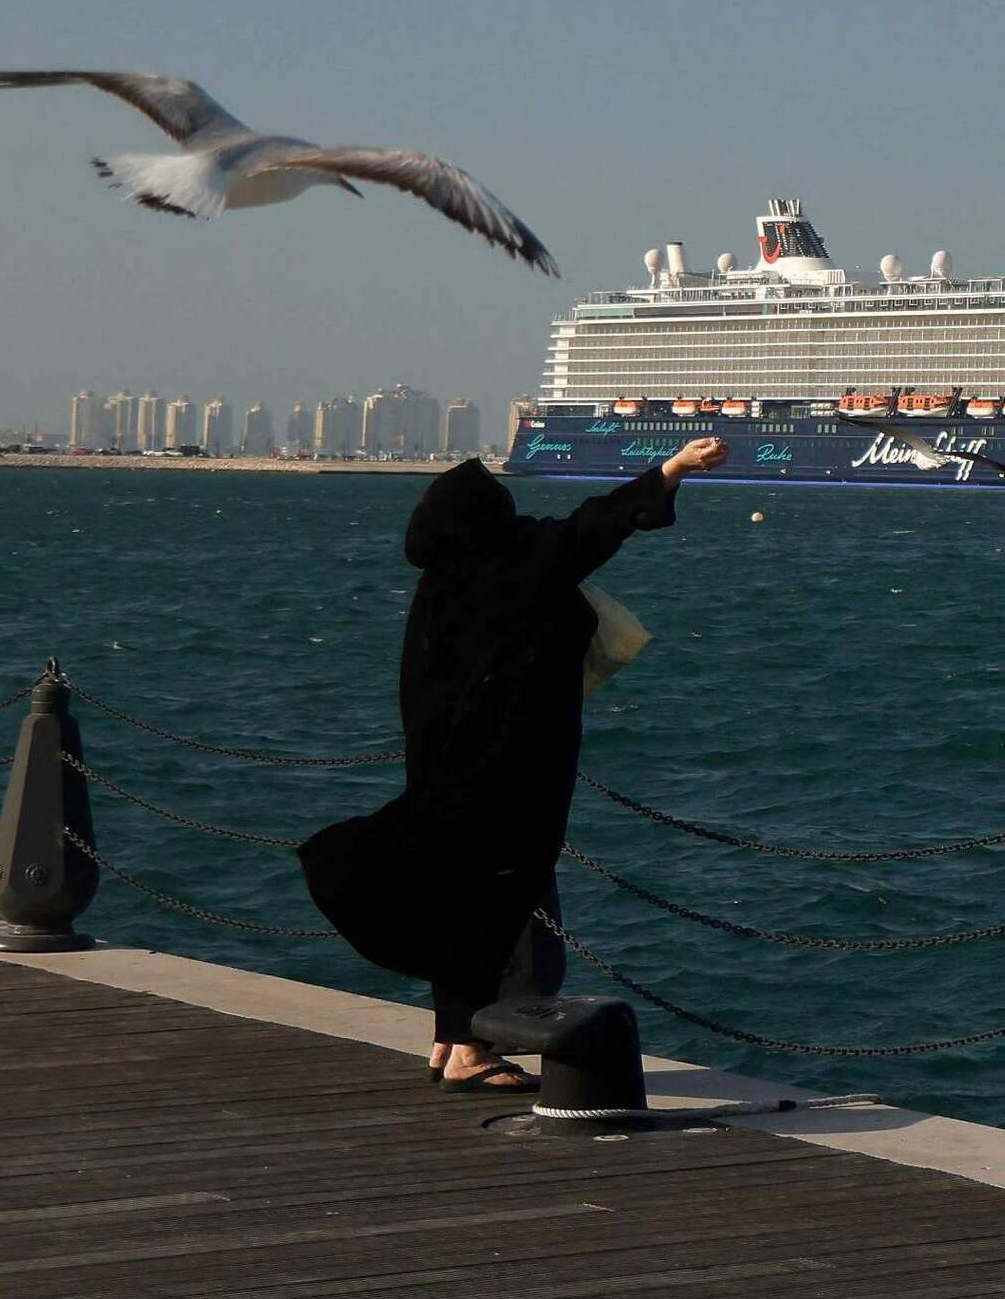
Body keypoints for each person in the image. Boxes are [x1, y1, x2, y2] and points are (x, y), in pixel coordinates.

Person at [300, 436, 726, 1091]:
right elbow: (596, 525)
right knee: (491, 910)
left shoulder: (438, 588)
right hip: (508, 775)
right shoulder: (517, 563)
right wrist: (671, 470)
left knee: (450, 898)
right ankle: (471, 1050)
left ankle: (449, 1039)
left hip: (441, 773)